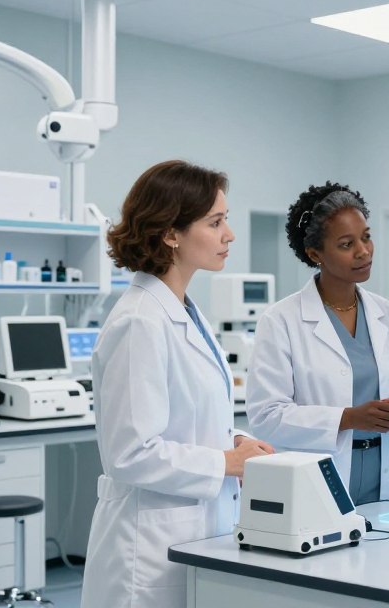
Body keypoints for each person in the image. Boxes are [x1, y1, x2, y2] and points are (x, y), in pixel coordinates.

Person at [81, 161, 274, 608]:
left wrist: (235, 442)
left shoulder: (186, 312)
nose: (229, 234)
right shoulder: (139, 321)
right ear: (170, 233)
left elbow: (185, 419)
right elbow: (131, 453)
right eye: (215, 222)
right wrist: (226, 461)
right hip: (146, 548)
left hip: (195, 529)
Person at [246, 182, 389, 505]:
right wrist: (348, 418)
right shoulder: (282, 320)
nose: (363, 251)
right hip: (317, 480)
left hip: (383, 478)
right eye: (346, 244)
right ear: (315, 254)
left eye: (366, 237)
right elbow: (266, 417)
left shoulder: (388, 314)